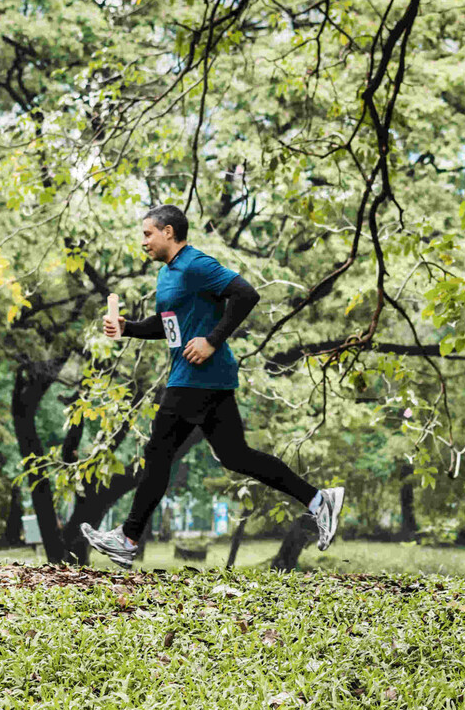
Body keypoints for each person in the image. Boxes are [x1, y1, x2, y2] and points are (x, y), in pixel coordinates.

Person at [80, 205, 344, 568]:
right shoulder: (169, 274)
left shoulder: (195, 264)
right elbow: (167, 325)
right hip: (199, 377)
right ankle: (319, 501)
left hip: (198, 376)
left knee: (159, 451)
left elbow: (246, 294)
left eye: (148, 234)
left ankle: (127, 538)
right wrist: (128, 328)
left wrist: (212, 340)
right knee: (236, 456)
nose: (143, 241)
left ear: (169, 232)